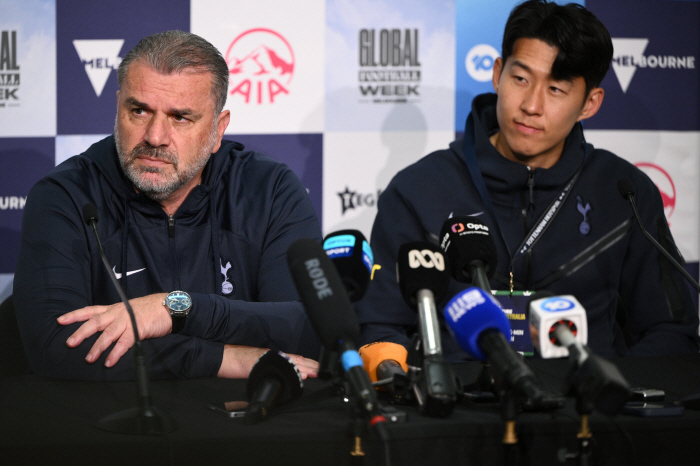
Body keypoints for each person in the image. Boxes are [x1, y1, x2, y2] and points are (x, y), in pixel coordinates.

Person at [356, 0, 700, 359]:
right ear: (497, 74)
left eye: (556, 89)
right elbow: (379, 326)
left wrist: (616, 387)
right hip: (458, 393)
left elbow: (671, 331)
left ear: (590, 103)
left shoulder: (624, 193)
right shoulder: (418, 191)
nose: (531, 106)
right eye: (520, 79)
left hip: (588, 392)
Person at [13, 30, 321, 380]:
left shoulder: (270, 191)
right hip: (113, 413)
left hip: (244, 411)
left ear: (218, 130)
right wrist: (225, 359)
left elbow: (307, 329)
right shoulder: (66, 195)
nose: (155, 137)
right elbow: (54, 348)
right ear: (118, 108)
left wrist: (176, 309)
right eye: (139, 111)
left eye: (180, 117)